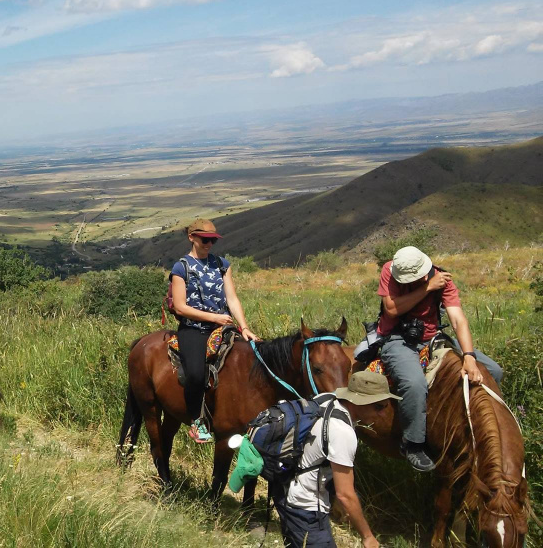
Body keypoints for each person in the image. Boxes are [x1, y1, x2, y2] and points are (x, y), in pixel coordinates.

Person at [374, 245, 503, 472]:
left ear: (424, 271)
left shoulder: (443, 279)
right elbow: (391, 309)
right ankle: (412, 443)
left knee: (493, 370)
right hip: (396, 338)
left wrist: (469, 356)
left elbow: (457, 320)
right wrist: (427, 288)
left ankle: (490, 426)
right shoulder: (390, 270)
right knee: (414, 383)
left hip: (432, 338)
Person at [273, 371, 395, 548]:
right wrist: (367, 536)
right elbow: (345, 495)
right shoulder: (342, 432)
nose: (383, 414)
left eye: (385, 406)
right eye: (378, 407)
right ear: (357, 400)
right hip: (306, 507)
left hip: (285, 491)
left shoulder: (327, 399)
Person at [169, 218, 258, 444]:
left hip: (223, 326)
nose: (209, 244)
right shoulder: (182, 267)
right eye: (204, 239)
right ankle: (196, 421)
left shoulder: (221, 264)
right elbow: (180, 306)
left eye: (212, 240)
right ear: (192, 238)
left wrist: (244, 327)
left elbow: (232, 298)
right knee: (196, 374)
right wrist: (214, 317)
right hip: (193, 329)